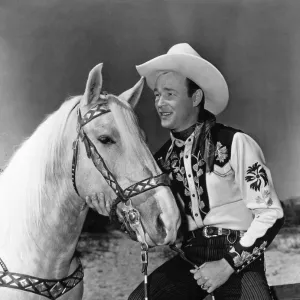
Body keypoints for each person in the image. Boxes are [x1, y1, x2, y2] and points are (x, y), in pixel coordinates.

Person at [86, 43, 284, 300]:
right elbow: (153, 233)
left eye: (169, 94)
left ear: (196, 97)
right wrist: (115, 214)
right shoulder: (160, 161)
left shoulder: (235, 143)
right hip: (190, 257)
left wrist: (226, 265)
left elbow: (271, 214)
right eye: (157, 95)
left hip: (239, 254)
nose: (159, 103)